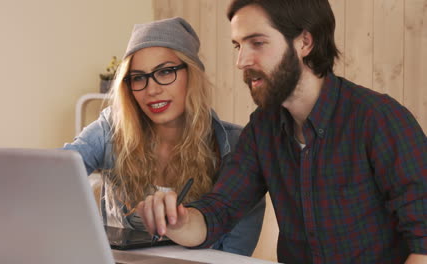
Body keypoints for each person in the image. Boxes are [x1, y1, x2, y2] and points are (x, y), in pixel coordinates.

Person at [137, 1, 427, 263]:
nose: (242, 61)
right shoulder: (263, 129)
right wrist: (177, 221)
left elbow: (423, 244)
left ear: (304, 42)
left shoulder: (378, 119)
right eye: (238, 46)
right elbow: (218, 211)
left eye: (257, 43)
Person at [63, 16, 265, 256]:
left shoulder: (235, 145)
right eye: (138, 77)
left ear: (192, 74)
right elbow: (55, 173)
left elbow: (234, 255)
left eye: (166, 72)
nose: (152, 89)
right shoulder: (111, 129)